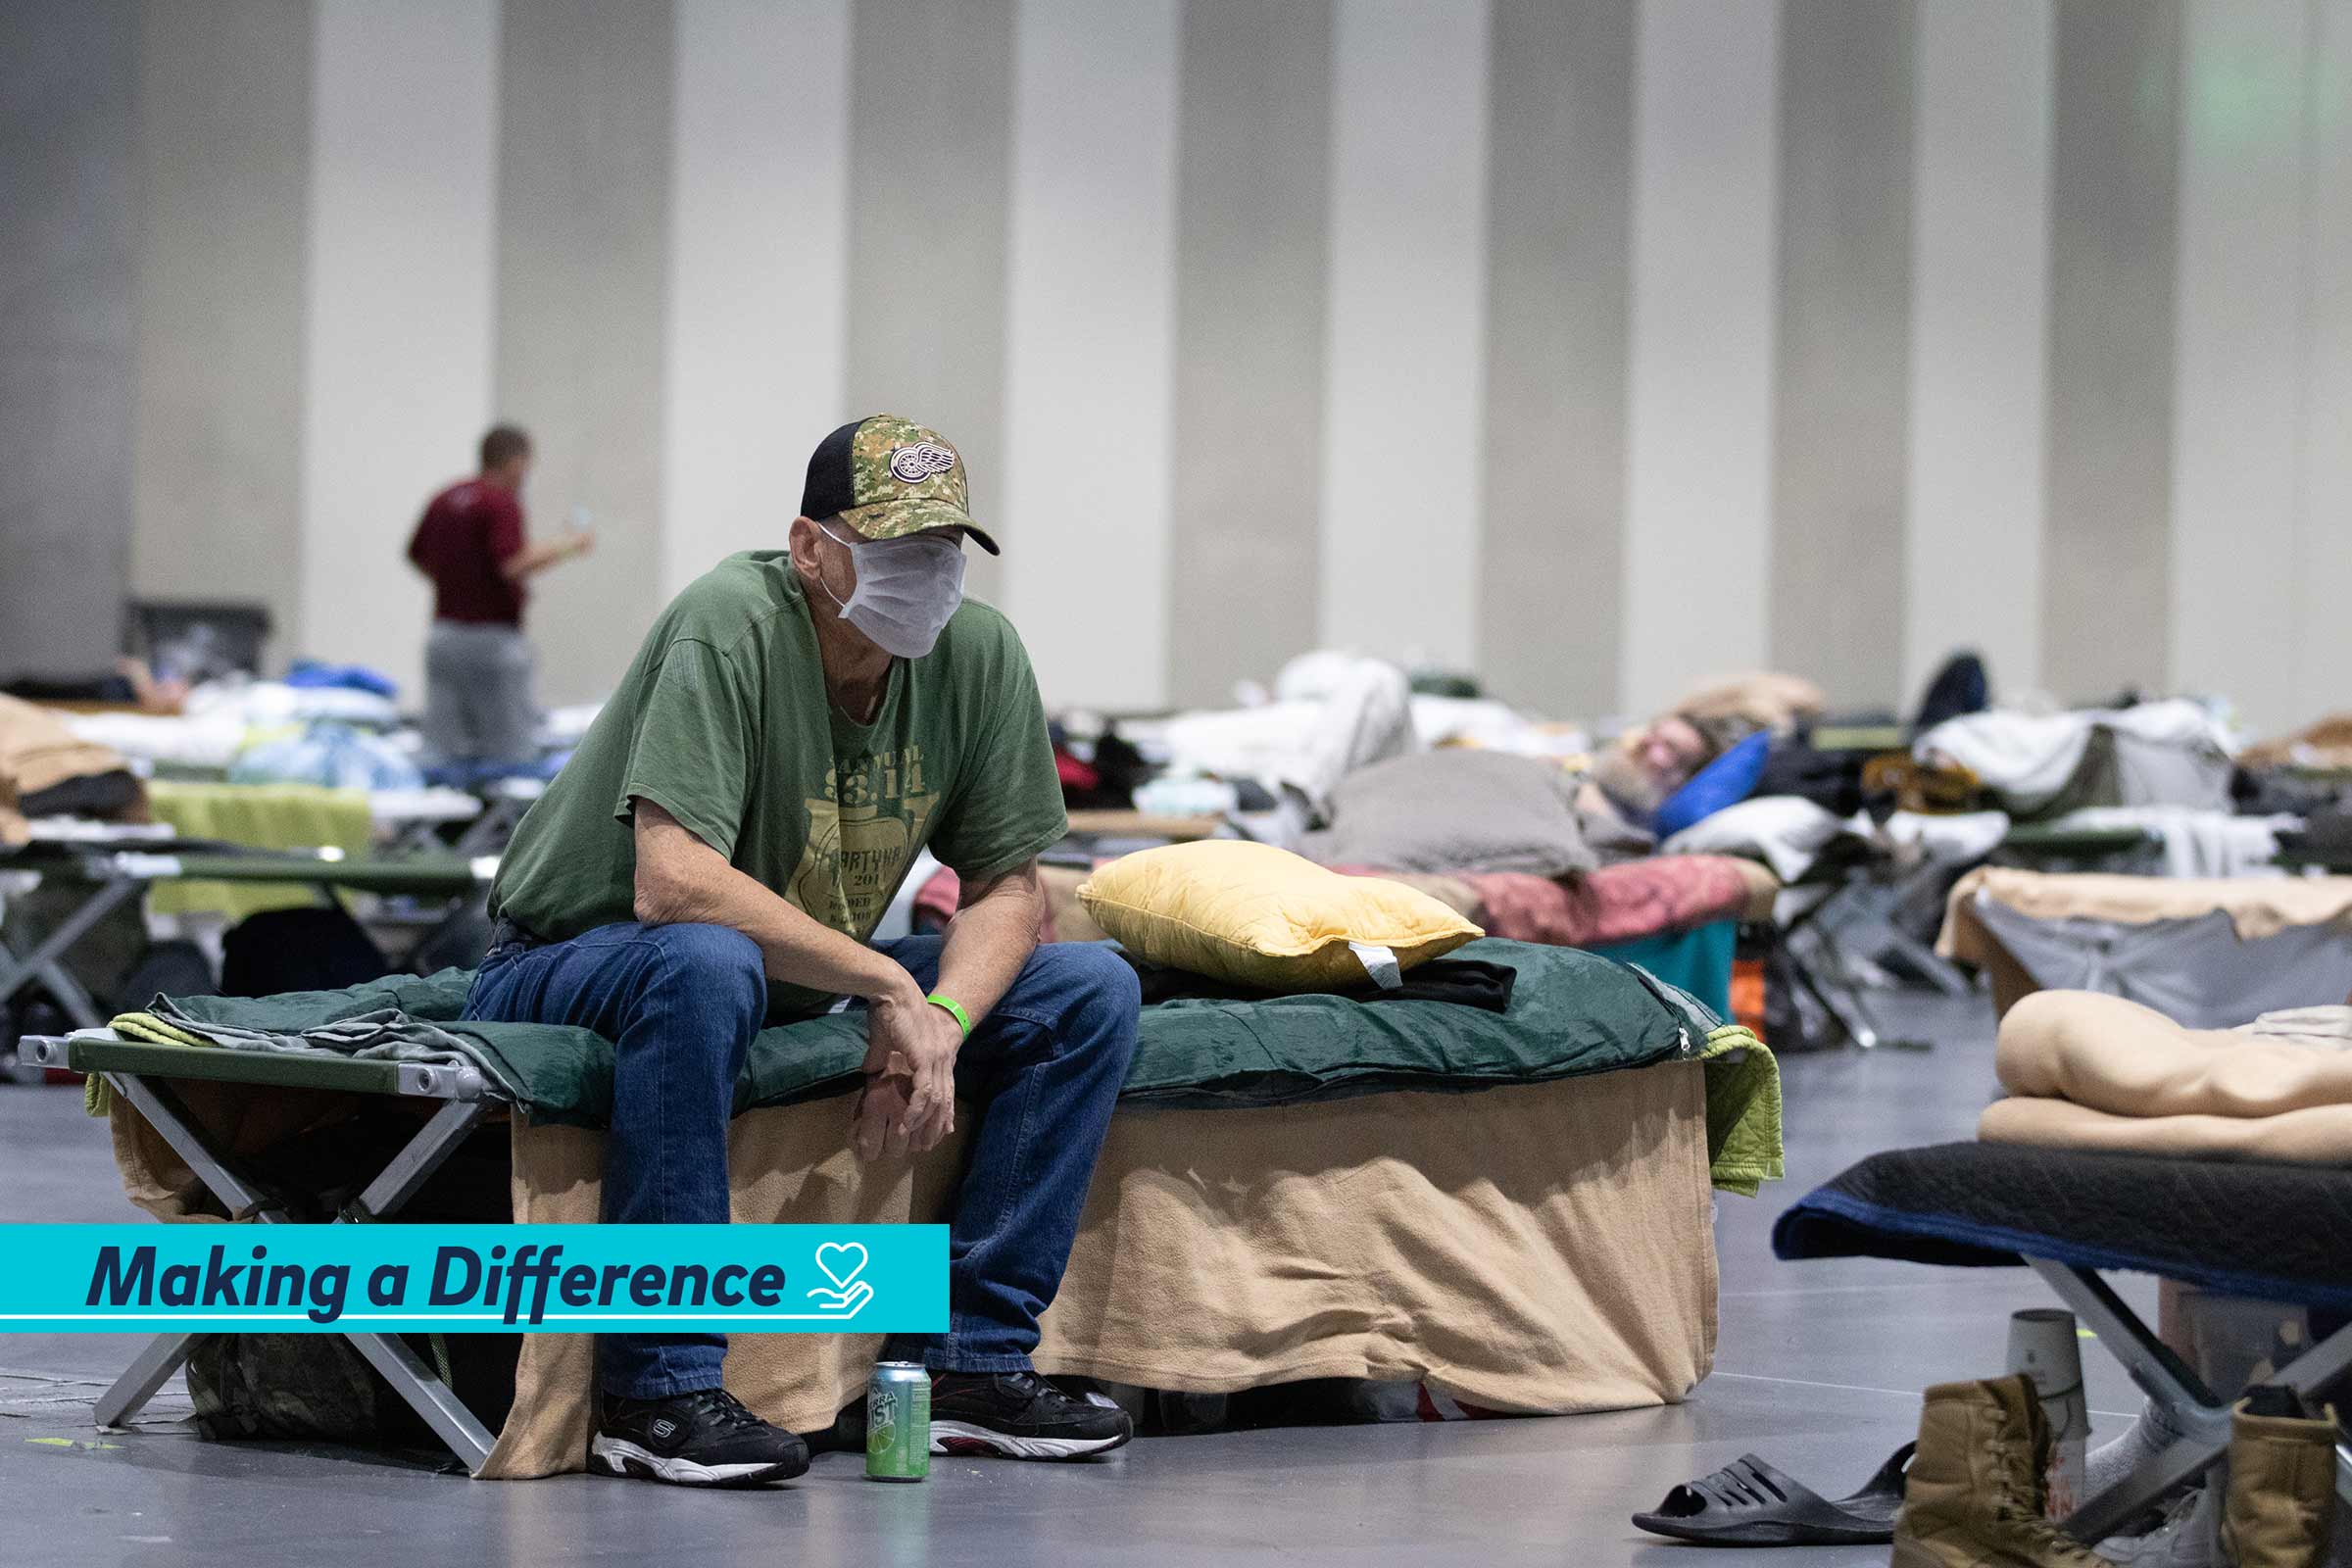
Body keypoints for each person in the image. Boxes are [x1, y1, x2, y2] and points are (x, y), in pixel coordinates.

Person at [467, 415, 1142, 1488]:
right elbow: (671, 882)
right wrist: (884, 979)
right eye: (894, 548)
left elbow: (1011, 887)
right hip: (573, 957)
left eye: (943, 550)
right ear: (811, 546)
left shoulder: (979, 656)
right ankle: (657, 1388)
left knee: (1089, 987)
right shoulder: (728, 623)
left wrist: (946, 1020)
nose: (925, 575)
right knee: (703, 960)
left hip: (772, 969)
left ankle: (971, 1356)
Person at [405, 424, 591, 771]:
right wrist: (568, 546)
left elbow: (415, 553)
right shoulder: (500, 502)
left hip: (444, 637)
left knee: (446, 750)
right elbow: (511, 564)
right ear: (516, 462)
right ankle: (506, 825)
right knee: (511, 751)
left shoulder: (445, 498)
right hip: (492, 640)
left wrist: (456, 582)